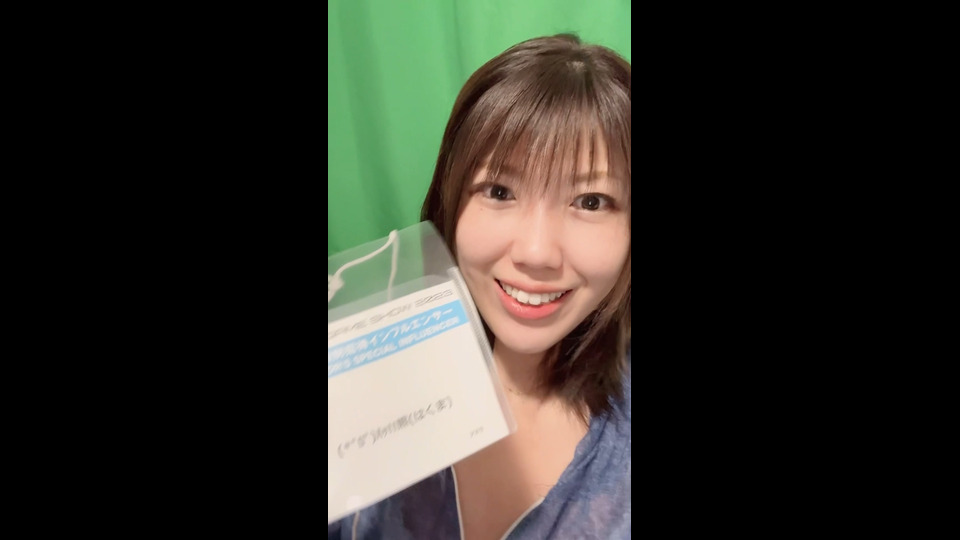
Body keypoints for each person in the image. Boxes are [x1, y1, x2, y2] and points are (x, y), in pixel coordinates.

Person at [329, 33, 631, 539]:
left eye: (591, 201)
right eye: (499, 190)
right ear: (451, 202)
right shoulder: (365, 379)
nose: (536, 252)